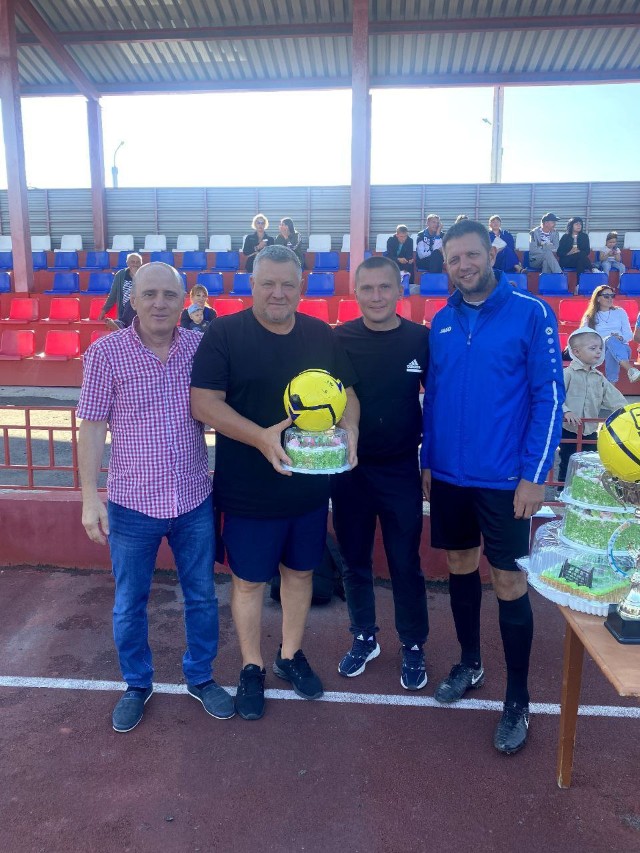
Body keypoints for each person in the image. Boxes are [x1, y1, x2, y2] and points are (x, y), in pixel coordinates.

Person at [190, 244, 359, 722]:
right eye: (268, 283)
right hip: (248, 488)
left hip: (308, 487)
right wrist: (262, 438)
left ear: (302, 287)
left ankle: (290, 655)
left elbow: (346, 392)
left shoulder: (319, 334)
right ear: (252, 285)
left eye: (288, 284)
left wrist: (352, 429)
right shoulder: (224, 332)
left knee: (301, 574)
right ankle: (251, 666)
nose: (278, 293)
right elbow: (204, 403)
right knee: (248, 582)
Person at [421, 219, 564, 755]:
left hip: (507, 480)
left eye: (472, 255)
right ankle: (469, 662)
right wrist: (428, 459)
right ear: (446, 265)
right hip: (450, 477)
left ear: (491, 255)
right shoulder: (442, 321)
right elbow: (434, 397)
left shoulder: (532, 313)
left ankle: (518, 698)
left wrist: (534, 475)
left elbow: (549, 397)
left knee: (508, 582)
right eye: (454, 258)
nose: (464, 265)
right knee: (460, 566)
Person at [77, 262, 233, 733]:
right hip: (132, 503)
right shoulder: (105, 353)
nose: (160, 303)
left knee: (202, 596)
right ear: (133, 299)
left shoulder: (201, 348)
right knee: (129, 602)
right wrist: (89, 497)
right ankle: (136, 684)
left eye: (169, 294)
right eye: (149, 294)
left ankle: (201, 677)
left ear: (185, 299)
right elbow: (92, 426)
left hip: (192, 499)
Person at [332, 256, 429, 688]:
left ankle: (413, 644)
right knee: (354, 561)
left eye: (384, 287)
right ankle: (364, 636)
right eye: (367, 288)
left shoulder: (421, 340)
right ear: (356, 293)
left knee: (405, 561)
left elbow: (437, 402)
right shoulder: (338, 339)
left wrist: (430, 462)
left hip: (401, 469)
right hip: (350, 471)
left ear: (399, 291)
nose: (376, 296)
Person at [558, 328, 627, 483]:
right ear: (576, 352)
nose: (598, 351)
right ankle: (562, 488)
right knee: (567, 459)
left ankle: (585, 488)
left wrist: (626, 412)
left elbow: (614, 398)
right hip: (569, 428)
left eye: (600, 348)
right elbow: (556, 396)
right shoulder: (567, 374)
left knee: (590, 460)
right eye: (593, 348)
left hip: (589, 429)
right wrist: (566, 411)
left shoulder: (599, 377)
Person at [581, 284, 640, 384]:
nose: (610, 299)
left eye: (612, 296)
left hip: (622, 348)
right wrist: (603, 340)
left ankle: (616, 383)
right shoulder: (590, 316)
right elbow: (583, 335)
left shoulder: (620, 312)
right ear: (598, 298)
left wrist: (620, 338)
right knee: (610, 344)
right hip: (599, 349)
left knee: (611, 345)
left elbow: (629, 335)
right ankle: (630, 370)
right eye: (606, 296)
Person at [98, 252, 142, 329]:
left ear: (141, 264)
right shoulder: (120, 275)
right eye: (132, 262)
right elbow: (113, 295)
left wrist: (136, 277)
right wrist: (104, 311)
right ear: (127, 263)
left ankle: (120, 325)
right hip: (125, 311)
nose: (135, 264)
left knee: (132, 301)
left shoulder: (144, 275)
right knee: (129, 304)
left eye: (138, 262)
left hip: (141, 308)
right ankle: (122, 325)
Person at [558, 217, 596, 290]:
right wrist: (569, 252)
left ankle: (578, 286)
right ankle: (592, 268)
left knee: (580, 258)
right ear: (571, 225)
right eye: (576, 224)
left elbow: (587, 251)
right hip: (567, 261)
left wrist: (578, 251)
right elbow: (559, 253)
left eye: (580, 224)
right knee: (580, 257)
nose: (579, 226)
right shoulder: (565, 237)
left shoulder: (584, 236)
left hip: (579, 260)